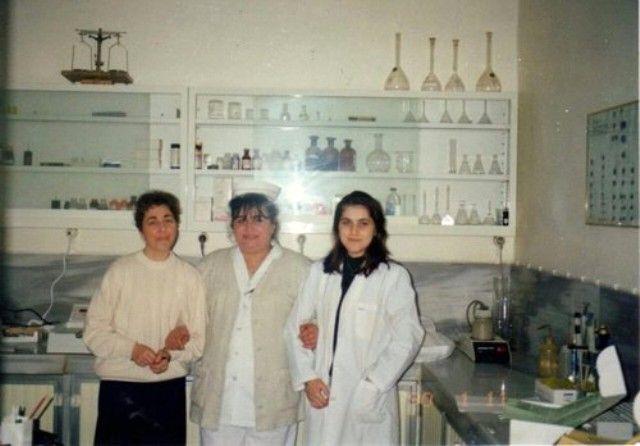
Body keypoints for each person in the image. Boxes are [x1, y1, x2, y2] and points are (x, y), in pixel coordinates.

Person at [285, 190, 424, 445]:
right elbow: (293, 328)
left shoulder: (392, 277)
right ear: (337, 228)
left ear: (376, 229)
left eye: (363, 223)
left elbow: (408, 339)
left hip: (367, 399)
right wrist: (308, 378)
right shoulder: (319, 273)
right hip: (322, 394)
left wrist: (373, 385)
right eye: (346, 222)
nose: (354, 231)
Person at [187, 187, 310, 446]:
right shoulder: (210, 266)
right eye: (241, 219)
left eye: (258, 219)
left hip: (274, 396)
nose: (249, 227)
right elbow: (189, 318)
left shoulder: (300, 269)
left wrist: (315, 331)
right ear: (232, 226)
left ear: (273, 225)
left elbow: (316, 322)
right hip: (219, 396)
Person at [84, 190, 206, 445]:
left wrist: (169, 355)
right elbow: (94, 334)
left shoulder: (190, 277)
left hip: (167, 393)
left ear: (177, 226)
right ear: (141, 230)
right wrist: (132, 350)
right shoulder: (120, 271)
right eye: (153, 221)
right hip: (120, 390)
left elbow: (198, 342)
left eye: (168, 220)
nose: (162, 228)